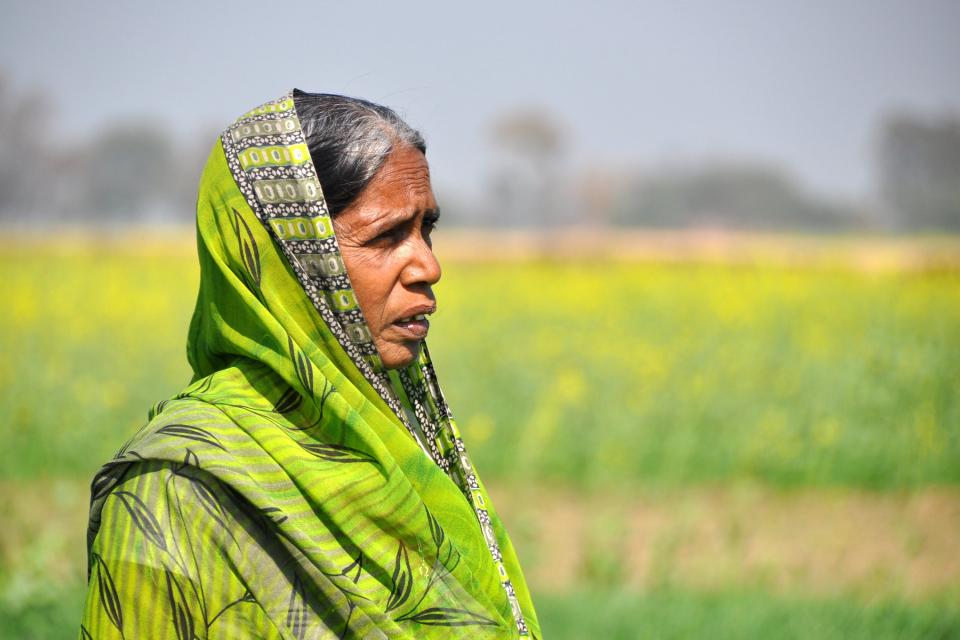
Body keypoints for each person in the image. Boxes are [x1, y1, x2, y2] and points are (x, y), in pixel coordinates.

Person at [80, 90, 541, 639]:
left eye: (427, 230)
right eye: (387, 235)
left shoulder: (402, 459)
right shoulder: (174, 490)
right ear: (292, 257)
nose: (429, 266)